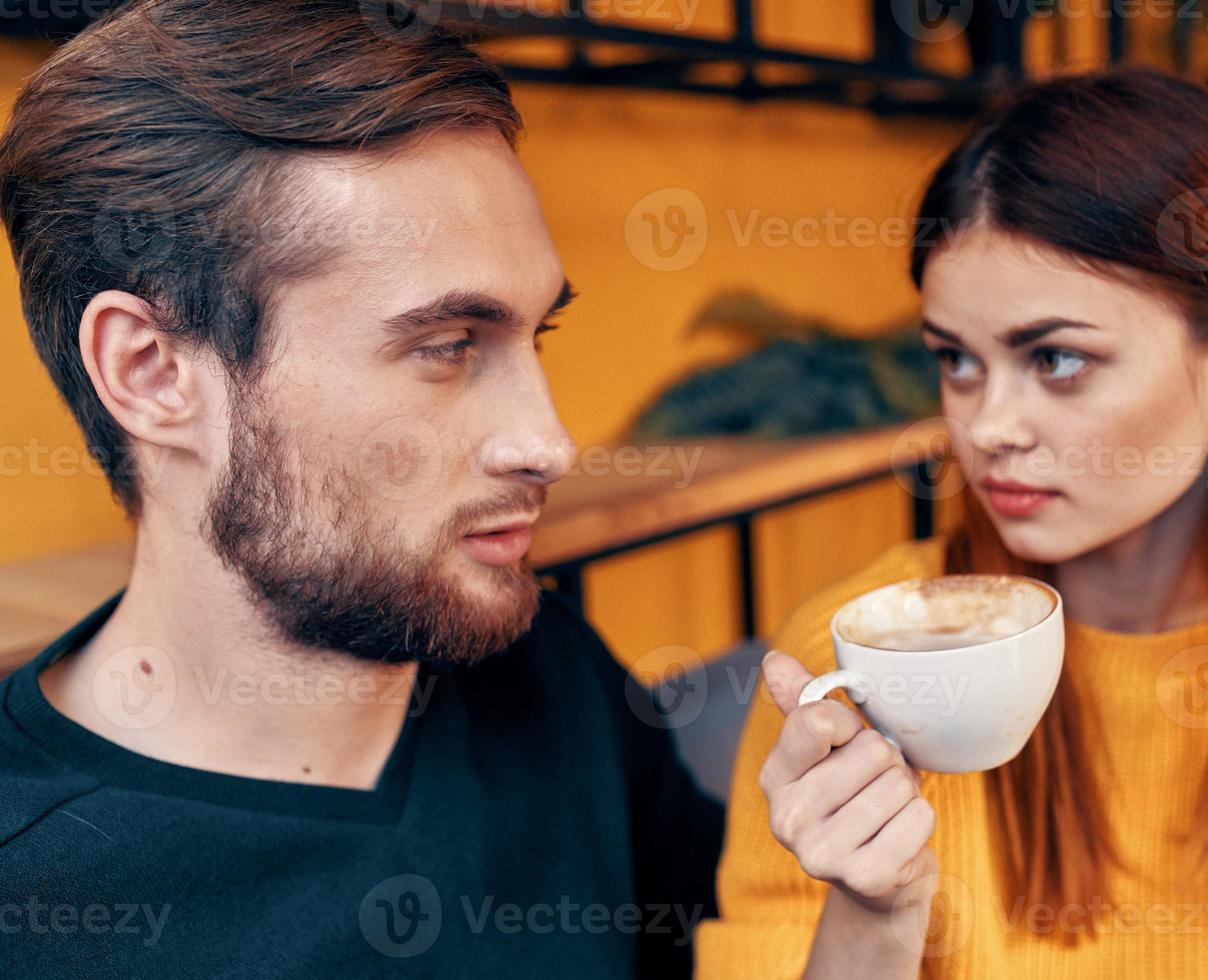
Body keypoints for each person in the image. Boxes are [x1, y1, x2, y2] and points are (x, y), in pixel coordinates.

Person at [696, 67, 1208, 978]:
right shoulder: (859, 662)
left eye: (1057, 357)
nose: (985, 428)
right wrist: (873, 915)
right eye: (956, 359)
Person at [0, 2, 720, 976]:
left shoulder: (548, 668)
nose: (549, 442)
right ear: (153, 373)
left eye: (533, 335)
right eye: (448, 345)